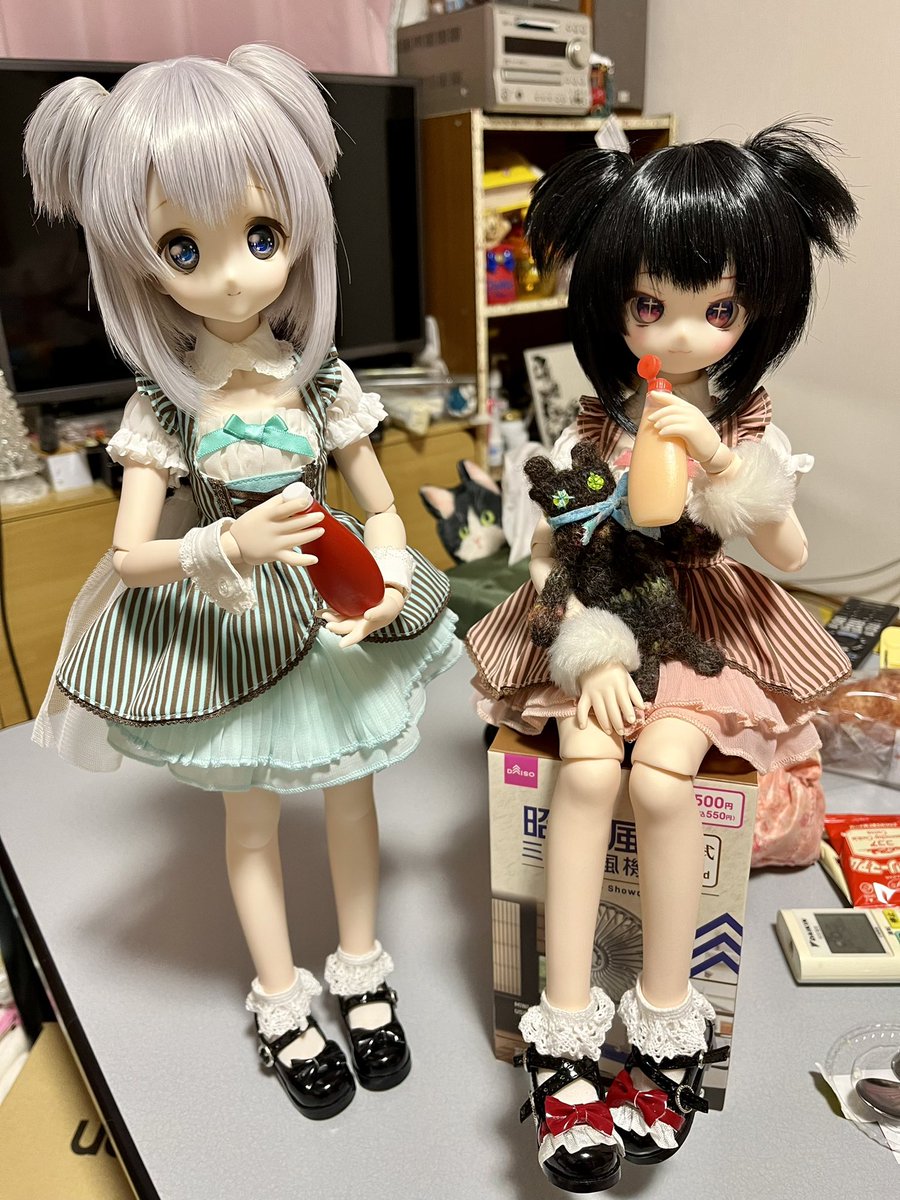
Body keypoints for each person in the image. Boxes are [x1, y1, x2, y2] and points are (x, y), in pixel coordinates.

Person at [26, 45, 459, 1120]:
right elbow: (130, 556)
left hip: (330, 610)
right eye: (182, 247)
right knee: (252, 823)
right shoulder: (162, 407)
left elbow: (380, 501)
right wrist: (225, 547)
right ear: (141, 263)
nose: (231, 275)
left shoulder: (323, 380)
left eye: (262, 236)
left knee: (354, 798)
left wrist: (386, 571)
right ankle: (281, 999)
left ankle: (362, 973)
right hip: (229, 621)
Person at [466, 122, 857, 1190]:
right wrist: (586, 654)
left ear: (756, 310)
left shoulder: (746, 417)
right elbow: (551, 547)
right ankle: (561, 1035)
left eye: (718, 310)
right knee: (588, 775)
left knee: (664, 781)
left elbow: (789, 550)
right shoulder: (600, 422)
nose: (685, 331)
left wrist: (724, 463)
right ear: (618, 305)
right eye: (652, 305)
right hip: (601, 607)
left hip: (701, 622)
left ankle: (670, 1023)